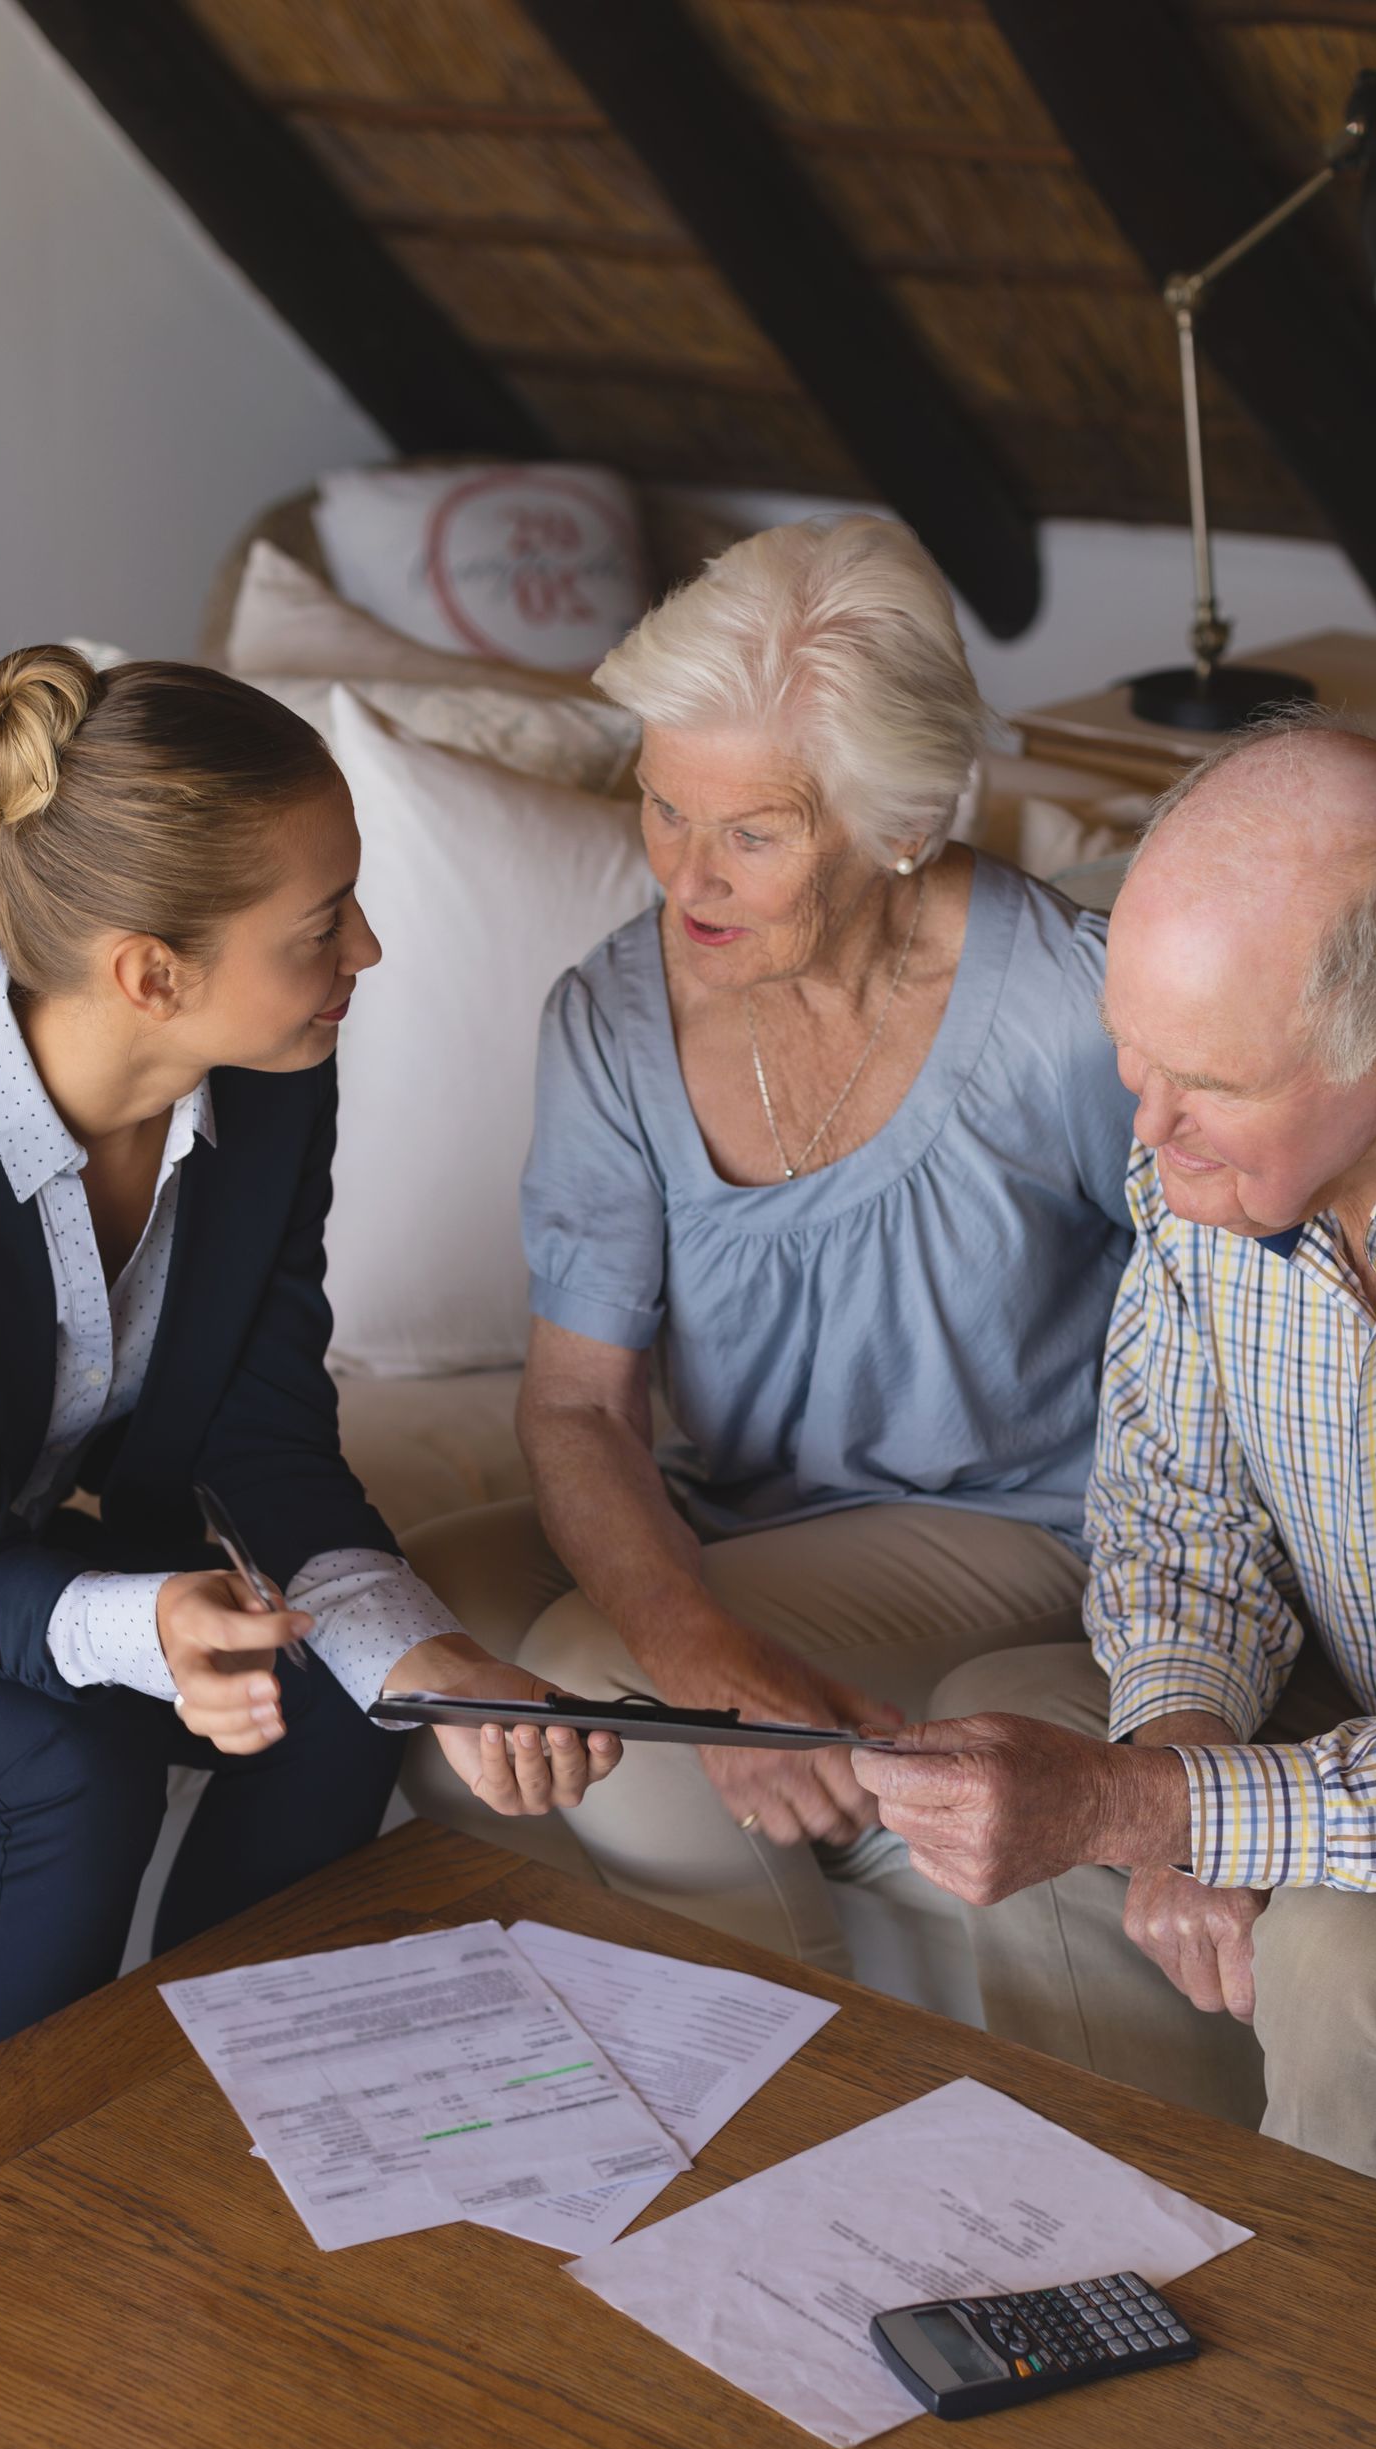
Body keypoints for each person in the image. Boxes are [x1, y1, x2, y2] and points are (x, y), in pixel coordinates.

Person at [0, 649, 616, 2064]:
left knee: (335, 1699)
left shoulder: (271, 1086)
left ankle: (230, 2107)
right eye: (322, 927)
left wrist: (432, 1661)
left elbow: (263, 1444)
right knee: (67, 1761)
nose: (365, 955)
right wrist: (146, 1629)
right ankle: (15, 2198)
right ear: (152, 972)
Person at [403, 518, 1136, 1968]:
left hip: (1024, 1517)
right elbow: (575, 1401)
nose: (688, 879)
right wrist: (704, 1640)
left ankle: (789, 2074)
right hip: (745, 1499)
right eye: (664, 809)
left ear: (900, 824)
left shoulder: (1071, 1009)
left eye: (753, 834)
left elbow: (1252, 1337)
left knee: (594, 1682)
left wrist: (682, 1657)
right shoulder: (609, 1019)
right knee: (420, 1644)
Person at [854, 714, 1376, 2223]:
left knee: (1357, 1954)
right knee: (1004, 1732)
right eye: (1129, 1060)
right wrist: (1174, 1743)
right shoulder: (1207, 1150)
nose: (1145, 1133)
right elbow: (1175, 1513)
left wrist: (1161, 1809)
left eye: (1201, 1084)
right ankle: (1139, 2262)